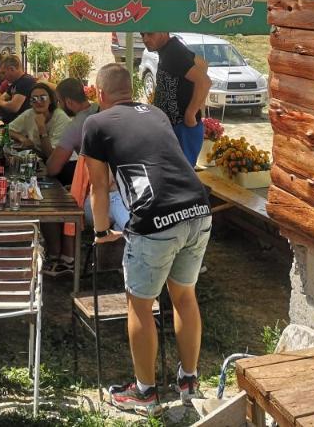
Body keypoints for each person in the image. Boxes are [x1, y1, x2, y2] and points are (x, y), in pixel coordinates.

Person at [83, 63, 213, 413]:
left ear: (99, 94)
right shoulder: (155, 113)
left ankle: (144, 392)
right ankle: (188, 379)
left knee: (140, 303)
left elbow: (98, 186)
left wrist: (99, 232)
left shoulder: (95, 123)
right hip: (198, 208)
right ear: (132, 90)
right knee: (184, 295)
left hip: (154, 215)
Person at [47, 78, 130, 232]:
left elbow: (53, 168)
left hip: (106, 192)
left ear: (69, 102)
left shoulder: (79, 125)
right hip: (130, 186)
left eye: (59, 101)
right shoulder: (103, 110)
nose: (58, 106)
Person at [141, 32, 212, 167]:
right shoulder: (170, 49)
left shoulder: (173, 52)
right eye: (142, 34)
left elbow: (204, 82)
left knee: (180, 177)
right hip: (177, 127)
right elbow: (203, 64)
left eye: (150, 34)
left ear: (163, 32)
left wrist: (191, 113)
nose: (145, 39)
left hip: (182, 128)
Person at [7, 82, 71, 159]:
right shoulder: (29, 114)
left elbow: (51, 156)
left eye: (43, 98)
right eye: (34, 99)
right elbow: (8, 130)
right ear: (30, 102)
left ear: (50, 100)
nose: (38, 102)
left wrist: (41, 127)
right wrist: (22, 138)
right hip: (39, 157)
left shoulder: (60, 117)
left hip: (65, 164)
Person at [0, 54, 35, 124]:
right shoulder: (14, 83)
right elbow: (1, 99)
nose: (3, 77)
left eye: (3, 73)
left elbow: (13, 107)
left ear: (12, 69)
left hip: (20, 126)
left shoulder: (26, 81)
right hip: (10, 122)